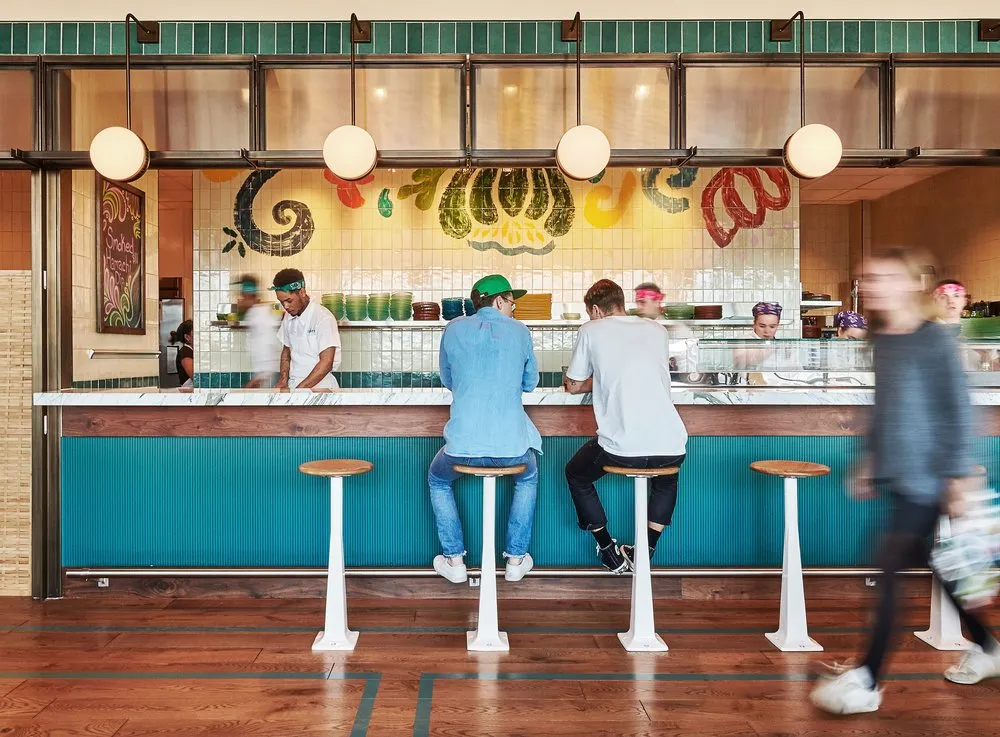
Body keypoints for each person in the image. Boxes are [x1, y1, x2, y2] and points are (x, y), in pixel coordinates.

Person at [810, 248, 1000, 716]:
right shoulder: (885, 339)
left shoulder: (932, 340)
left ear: (911, 283)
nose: (872, 284)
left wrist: (957, 476)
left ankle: (869, 680)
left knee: (888, 567)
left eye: (883, 277)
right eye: (867, 278)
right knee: (936, 560)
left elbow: (957, 409)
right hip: (899, 472)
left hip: (931, 476)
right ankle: (989, 645)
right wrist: (869, 459)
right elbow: (885, 404)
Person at [563, 279, 688, 574]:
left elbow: (573, 385)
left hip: (621, 448)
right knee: (666, 477)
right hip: (671, 444)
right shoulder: (656, 330)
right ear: (621, 303)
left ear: (595, 310)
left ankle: (607, 549)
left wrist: (598, 380)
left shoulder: (590, 329)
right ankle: (645, 550)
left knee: (576, 474)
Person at [429, 274, 541, 584]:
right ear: (499, 301)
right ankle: (516, 558)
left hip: (461, 447)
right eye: (512, 303)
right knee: (528, 475)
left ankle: (453, 559)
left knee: (438, 480)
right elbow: (530, 383)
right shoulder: (521, 332)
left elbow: (449, 380)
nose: (514, 309)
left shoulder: (452, 330)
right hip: (511, 448)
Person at [271, 268, 340, 390]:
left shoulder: (323, 318)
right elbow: (286, 352)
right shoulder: (288, 317)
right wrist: (283, 381)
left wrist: (300, 390)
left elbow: (326, 363)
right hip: (295, 386)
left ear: (302, 292)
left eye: (289, 300)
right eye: (282, 302)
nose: (286, 307)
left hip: (320, 387)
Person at [635, 282, 697, 374]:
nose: (638, 308)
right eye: (637, 303)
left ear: (656, 302)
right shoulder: (637, 329)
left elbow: (690, 369)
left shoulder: (677, 330)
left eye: (643, 302)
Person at [235, 275, 281, 388]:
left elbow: (269, 346)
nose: (240, 300)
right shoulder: (254, 313)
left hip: (267, 376)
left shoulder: (262, 315)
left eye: (242, 296)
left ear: (248, 295)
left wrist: (260, 378)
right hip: (262, 374)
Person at [170, 319, 194, 391]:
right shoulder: (185, 352)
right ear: (187, 337)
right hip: (189, 396)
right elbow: (195, 376)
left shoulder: (193, 351)